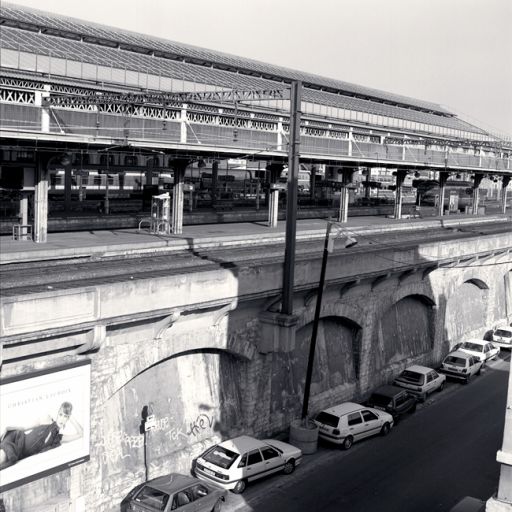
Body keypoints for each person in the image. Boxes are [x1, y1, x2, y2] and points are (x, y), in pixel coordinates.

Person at [0, 401, 83, 470]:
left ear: (68, 419)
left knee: (9, 458)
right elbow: (24, 428)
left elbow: (80, 434)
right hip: (16, 438)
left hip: (19, 452)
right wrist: (8, 428)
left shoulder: (58, 438)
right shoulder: (46, 420)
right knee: (6, 456)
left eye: (65, 417)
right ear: (57, 413)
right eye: (61, 414)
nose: (62, 419)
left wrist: (71, 416)